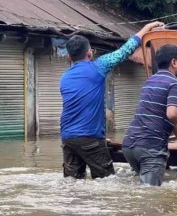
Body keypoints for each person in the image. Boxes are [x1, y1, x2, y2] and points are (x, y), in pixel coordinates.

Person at [60, 20, 164, 179]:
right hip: (90, 139)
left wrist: (99, 136)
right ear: (90, 53)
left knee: (72, 183)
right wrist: (147, 28)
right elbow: (125, 50)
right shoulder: (98, 66)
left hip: (68, 138)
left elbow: (80, 107)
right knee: (106, 182)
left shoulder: (64, 78)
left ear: (69, 57)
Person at [122, 44, 177, 186]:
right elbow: (172, 114)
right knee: (150, 197)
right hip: (150, 147)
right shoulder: (175, 83)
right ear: (174, 62)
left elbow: (170, 122)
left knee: (143, 191)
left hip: (129, 146)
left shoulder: (150, 81)